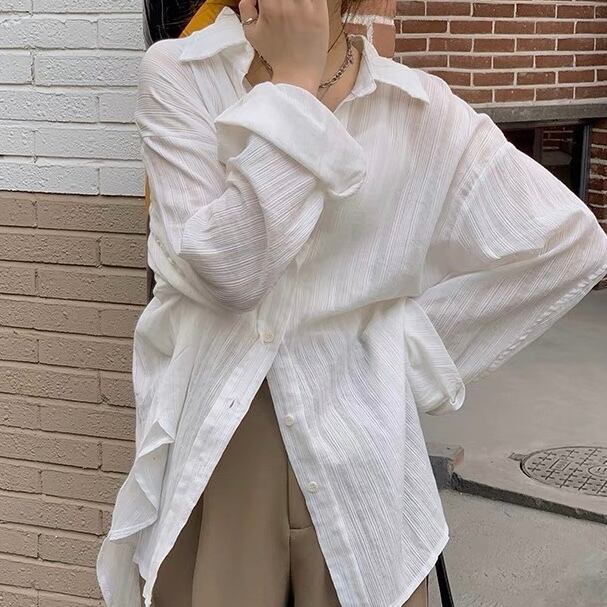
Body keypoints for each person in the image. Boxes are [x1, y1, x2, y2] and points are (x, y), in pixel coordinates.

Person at [95, 1, 607, 606]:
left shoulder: (418, 108)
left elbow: (569, 244)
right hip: (223, 441)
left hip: (361, 445)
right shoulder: (184, 74)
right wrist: (296, 84)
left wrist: (408, 348)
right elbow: (229, 272)